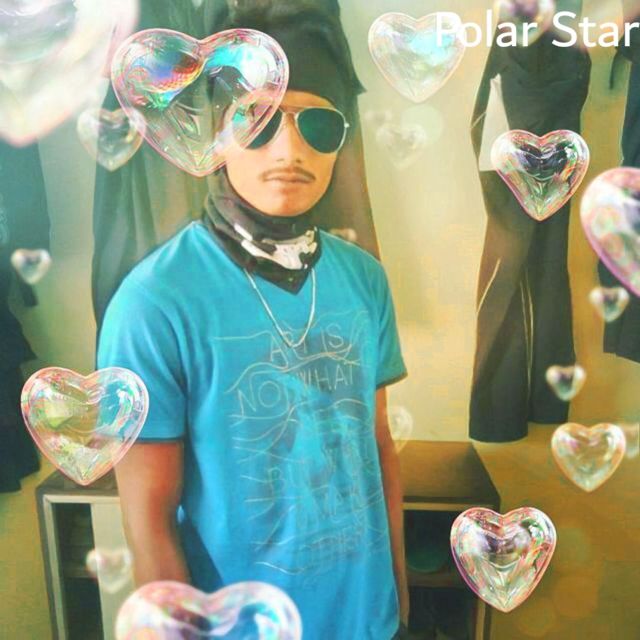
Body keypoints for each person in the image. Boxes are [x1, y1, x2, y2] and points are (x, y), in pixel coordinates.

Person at [98, 3, 409, 638]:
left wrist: (399, 602)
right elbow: (148, 520)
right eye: (259, 120)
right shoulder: (155, 302)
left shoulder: (364, 278)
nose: (291, 149)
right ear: (217, 130)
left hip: (370, 620)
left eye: (318, 125)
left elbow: (377, 447)